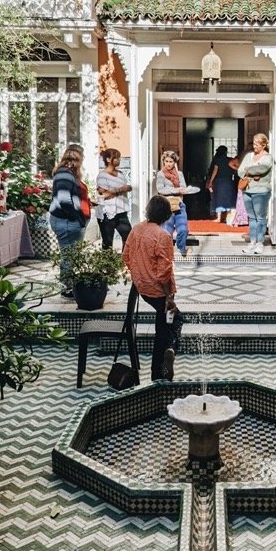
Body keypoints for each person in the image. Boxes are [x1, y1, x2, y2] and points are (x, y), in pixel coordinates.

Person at [122, 195, 181, 381]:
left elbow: (126, 255)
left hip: (142, 286)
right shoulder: (162, 235)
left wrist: (138, 274)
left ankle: (163, 363)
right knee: (175, 321)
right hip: (157, 290)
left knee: (164, 323)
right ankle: (162, 366)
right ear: (165, 215)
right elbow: (164, 271)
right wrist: (169, 297)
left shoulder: (136, 229)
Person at [48, 147, 91, 296]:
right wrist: (78, 218)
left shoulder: (66, 174)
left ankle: (69, 285)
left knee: (69, 255)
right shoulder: (65, 175)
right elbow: (65, 201)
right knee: (68, 255)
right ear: (77, 160)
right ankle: (67, 288)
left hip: (66, 220)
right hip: (66, 221)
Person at [238, 133, 274, 253]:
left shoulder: (268, 157)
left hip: (261, 191)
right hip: (247, 190)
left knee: (260, 217)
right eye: (254, 144)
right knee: (252, 218)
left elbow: (262, 168)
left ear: (263, 145)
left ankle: (260, 242)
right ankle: (252, 242)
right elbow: (240, 171)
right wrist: (252, 172)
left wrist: (249, 170)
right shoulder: (249, 156)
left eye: (257, 144)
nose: (254, 146)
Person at [155, 150, 195, 257]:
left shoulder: (179, 174)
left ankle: (181, 248)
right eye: (166, 161)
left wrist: (182, 190)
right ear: (163, 162)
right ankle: (165, 252)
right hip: (167, 205)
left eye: (171, 161)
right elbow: (160, 189)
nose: (168, 164)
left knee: (183, 229)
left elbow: (183, 186)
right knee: (166, 230)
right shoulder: (160, 174)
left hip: (179, 204)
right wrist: (176, 190)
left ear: (174, 162)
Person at [95, 148, 133, 250]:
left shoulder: (120, 174)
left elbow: (127, 187)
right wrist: (120, 189)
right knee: (107, 242)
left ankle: (124, 261)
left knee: (129, 236)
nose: (119, 160)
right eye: (116, 158)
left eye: (119, 158)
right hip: (107, 212)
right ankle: (107, 265)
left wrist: (123, 189)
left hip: (121, 210)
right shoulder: (102, 176)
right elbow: (104, 194)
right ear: (108, 159)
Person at [205, 144, 238, 224]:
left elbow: (215, 171)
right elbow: (235, 170)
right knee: (229, 199)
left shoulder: (217, 160)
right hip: (229, 181)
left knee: (219, 199)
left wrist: (211, 181)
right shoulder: (230, 160)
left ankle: (219, 217)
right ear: (226, 152)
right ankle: (228, 218)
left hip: (219, 182)